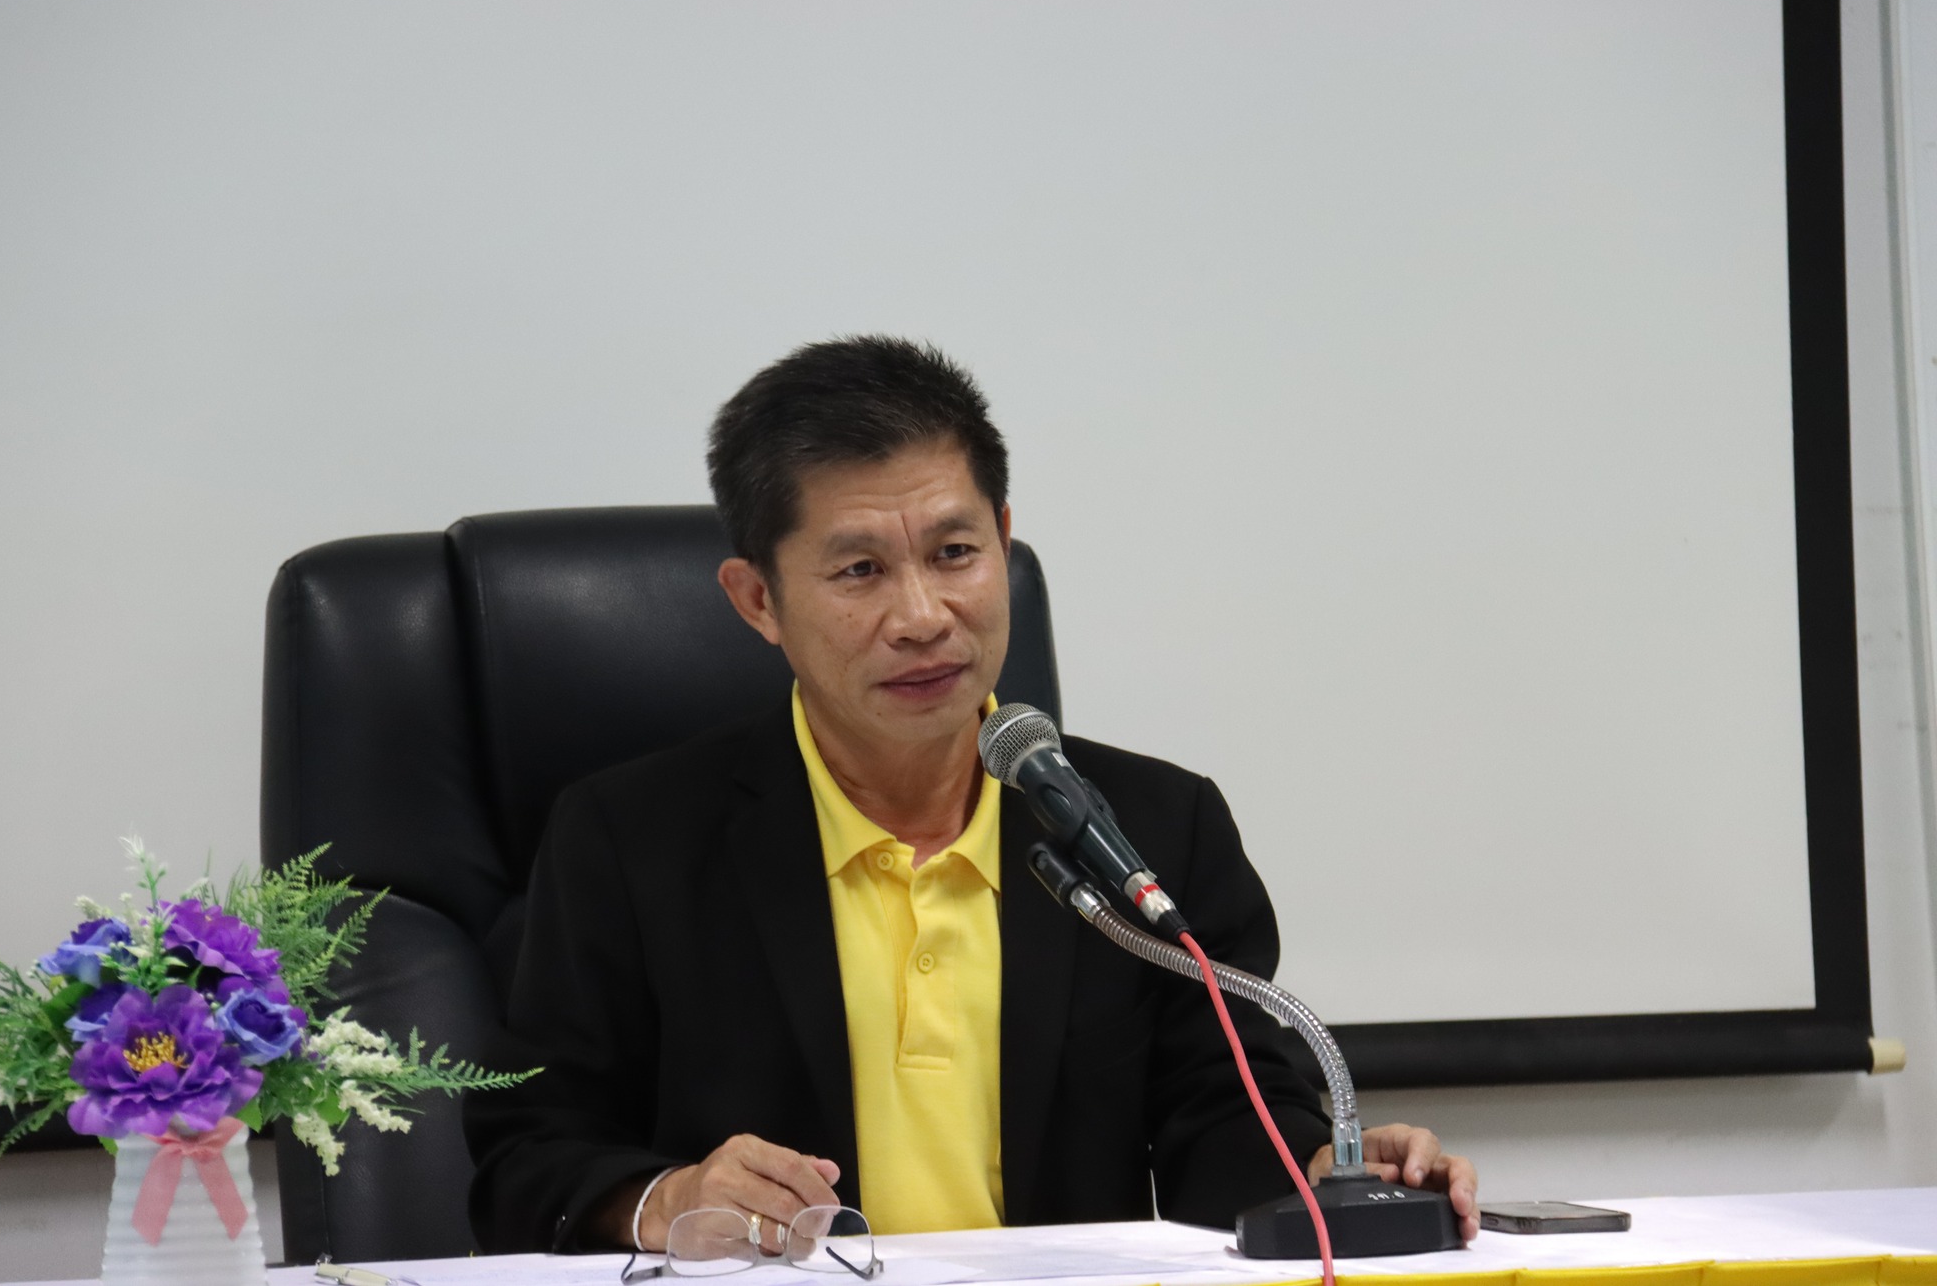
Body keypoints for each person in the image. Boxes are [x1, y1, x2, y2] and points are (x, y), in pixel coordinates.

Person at [464, 337, 1478, 1254]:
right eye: (860, 569)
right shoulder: (630, 840)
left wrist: (1329, 1174)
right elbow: (522, 1157)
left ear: (1003, 539)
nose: (922, 615)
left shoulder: (1150, 831)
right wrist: (667, 1198)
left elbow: (1225, 1117)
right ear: (758, 599)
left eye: (955, 553)